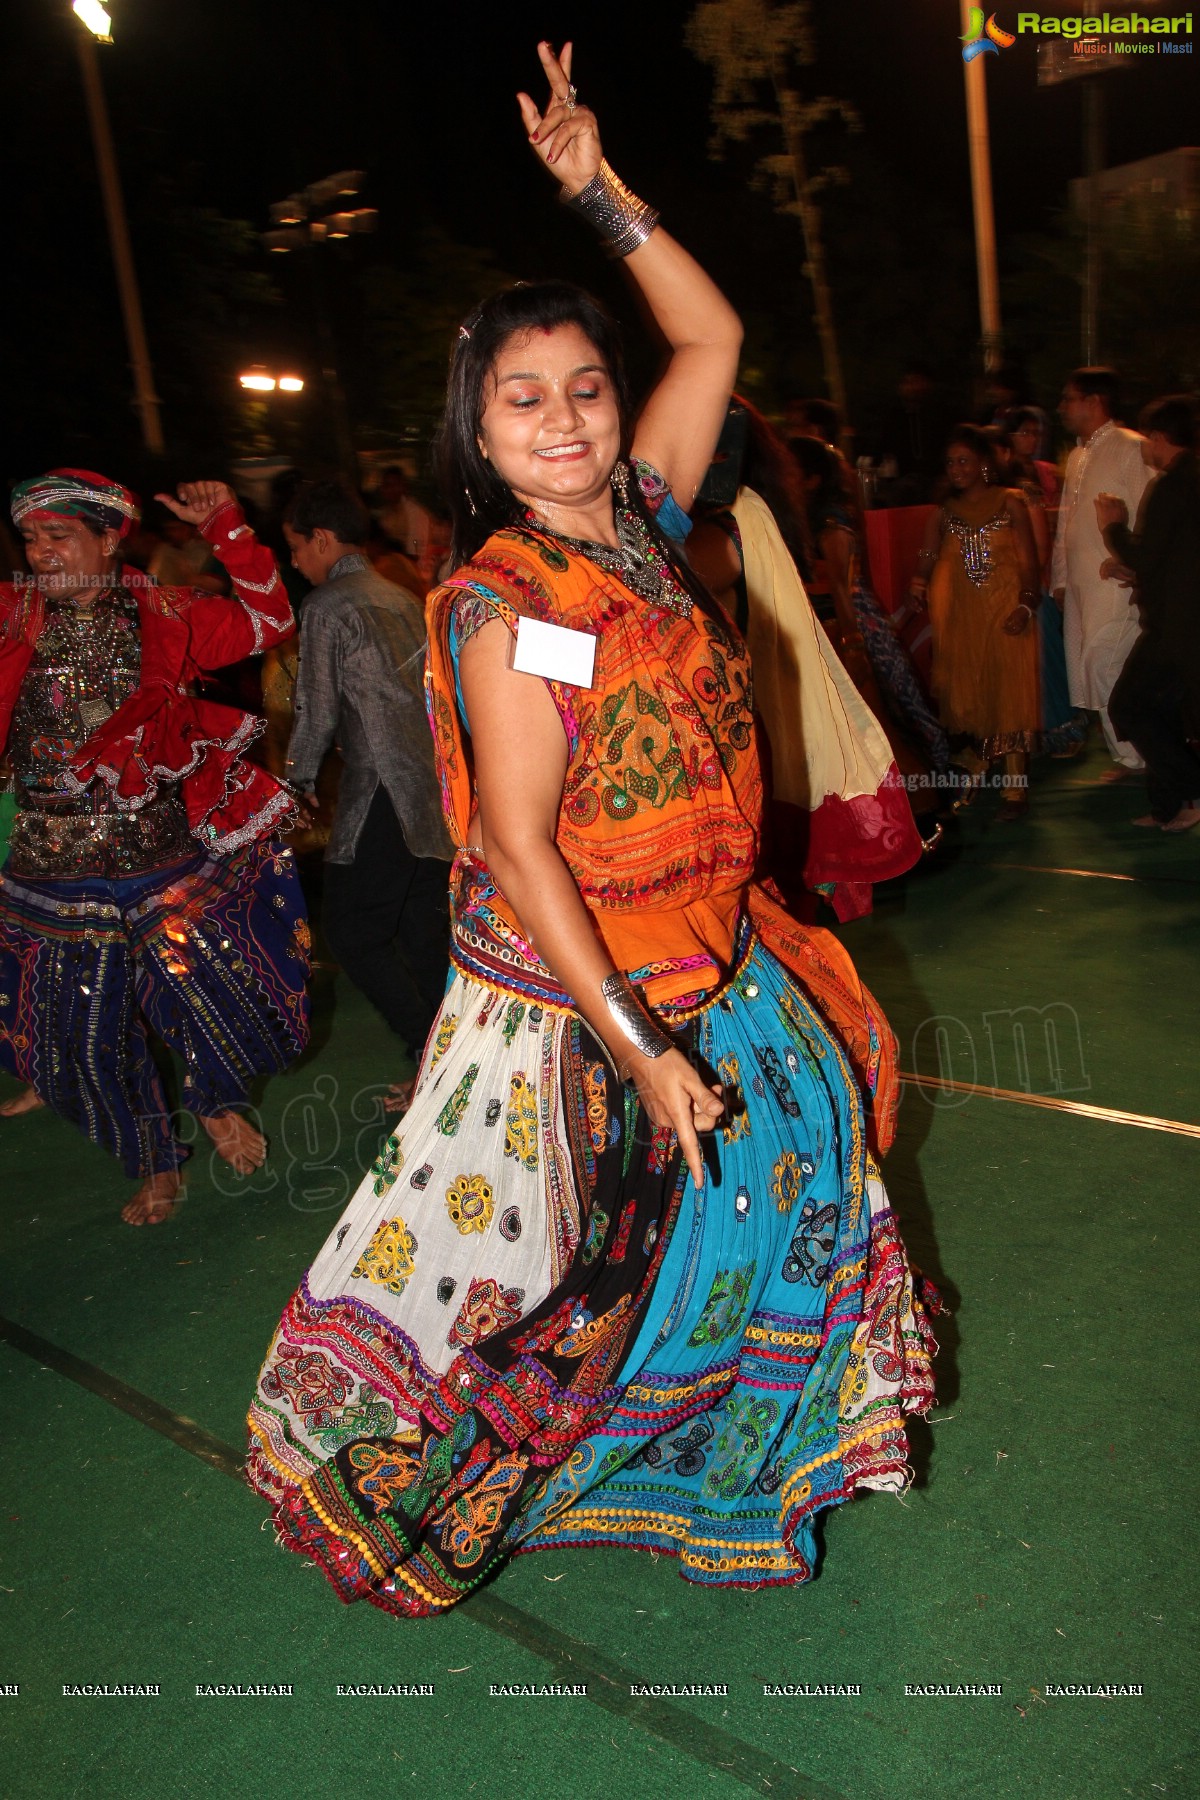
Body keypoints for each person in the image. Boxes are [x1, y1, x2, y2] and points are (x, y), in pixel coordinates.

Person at [246, 41, 936, 1619]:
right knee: (558, 1287)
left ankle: (734, 1469)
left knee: (791, 1202)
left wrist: (596, 192)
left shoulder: (642, 518)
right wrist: (632, 1047)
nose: (562, 421)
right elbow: (522, 844)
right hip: (577, 1003)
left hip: (723, 953)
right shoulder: (501, 604)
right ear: (476, 435)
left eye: (584, 391)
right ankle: (502, 1476)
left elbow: (715, 329)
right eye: (523, 400)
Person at [0, 471, 310, 1223]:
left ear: (110, 539)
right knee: (72, 1042)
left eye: (59, 535)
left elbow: (270, 620)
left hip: (159, 856)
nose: (41, 552)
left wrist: (228, 530)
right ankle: (154, 1163)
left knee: (231, 997)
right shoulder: (11, 614)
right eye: (31, 538)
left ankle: (212, 1098)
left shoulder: (167, 614)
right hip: (50, 865)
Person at [282, 478, 453, 1107]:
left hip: (383, 789)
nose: (296, 561)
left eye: (297, 547)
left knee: (352, 932)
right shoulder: (403, 596)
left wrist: (294, 783)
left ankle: (427, 1050)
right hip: (432, 787)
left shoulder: (329, 605)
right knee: (418, 935)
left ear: (322, 540)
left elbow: (316, 707)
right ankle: (443, 1064)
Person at [912, 426, 1042, 819]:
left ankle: (1014, 792)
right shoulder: (943, 512)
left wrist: (1026, 606)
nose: (956, 469)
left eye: (964, 460)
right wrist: (917, 580)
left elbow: (1028, 560)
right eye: (950, 462)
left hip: (1006, 611)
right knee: (974, 693)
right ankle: (981, 765)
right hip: (962, 617)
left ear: (984, 463)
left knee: (1010, 694)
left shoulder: (1010, 503)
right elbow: (927, 554)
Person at [1097, 395, 1200, 832]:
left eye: (1146, 438)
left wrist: (1112, 526)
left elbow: (1147, 554)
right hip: (1182, 619)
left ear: (1159, 438)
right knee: (1161, 713)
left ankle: (1190, 791)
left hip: (1176, 628)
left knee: (1131, 707)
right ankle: (1169, 804)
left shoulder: (1173, 485)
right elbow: (1174, 558)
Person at [1051, 368, 1152, 778]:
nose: (1062, 407)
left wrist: (1138, 562)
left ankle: (1143, 753)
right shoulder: (1078, 454)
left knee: (1105, 663)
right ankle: (1127, 754)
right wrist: (1060, 578)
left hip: (1115, 581)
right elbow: (1066, 525)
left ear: (1094, 402)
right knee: (1091, 668)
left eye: (1068, 398)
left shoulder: (1130, 446)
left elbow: (1149, 508)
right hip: (1081, 583)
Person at [1003, 410, 1088, 760]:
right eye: (1021, 433)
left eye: (1033, 433)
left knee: (1044, 662)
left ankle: (1058, 733)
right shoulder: (981, 497)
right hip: (995, 596)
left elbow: (1039, 551)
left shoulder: (1028, 488)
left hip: (1029, 590)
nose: (1029, 440)